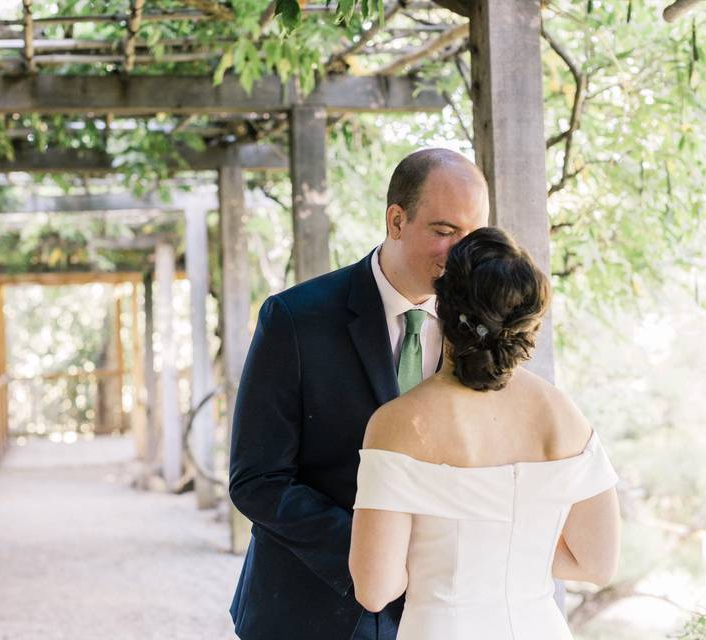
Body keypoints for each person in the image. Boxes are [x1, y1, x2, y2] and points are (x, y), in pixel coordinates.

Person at [228, 148, 490, 640]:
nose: (461, 254)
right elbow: (257, 479)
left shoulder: (480, 327)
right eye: (443, 231)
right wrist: (374, 554)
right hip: (307, 608)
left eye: (472, 235)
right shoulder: (295, 319)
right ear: (396, 220)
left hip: (437, 614)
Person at [348, 226, 621, 639]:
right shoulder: (566, 417)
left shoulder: (397, 423)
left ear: (444, 306)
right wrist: (514, 544)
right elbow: (597, 563)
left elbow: (375, 588)